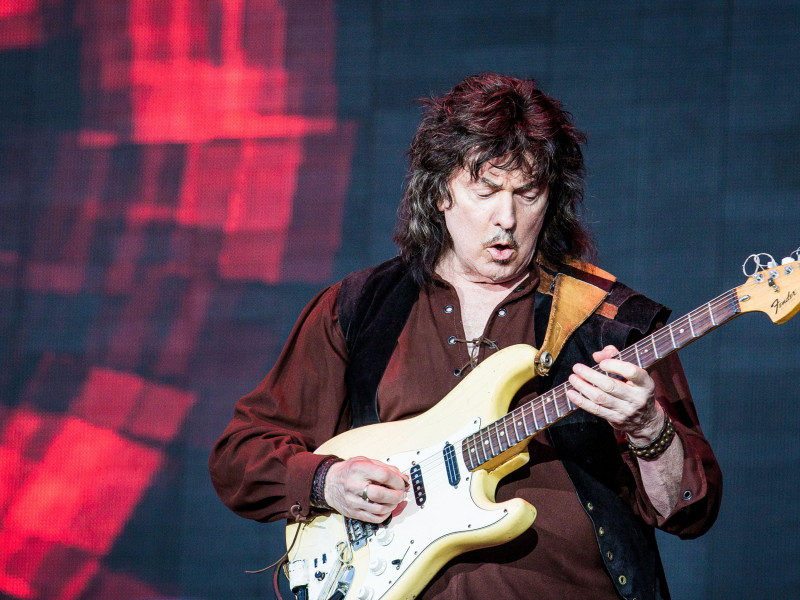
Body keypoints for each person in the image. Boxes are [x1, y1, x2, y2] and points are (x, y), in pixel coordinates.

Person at [209, 72, 722, 600]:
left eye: (528, 193)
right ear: (440, 194)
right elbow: (238, 456)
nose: (507, 218)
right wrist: (327, 482)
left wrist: (648, 428)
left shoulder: (612, 322)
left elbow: (689, 511)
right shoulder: (359, 309)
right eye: (486, 190)